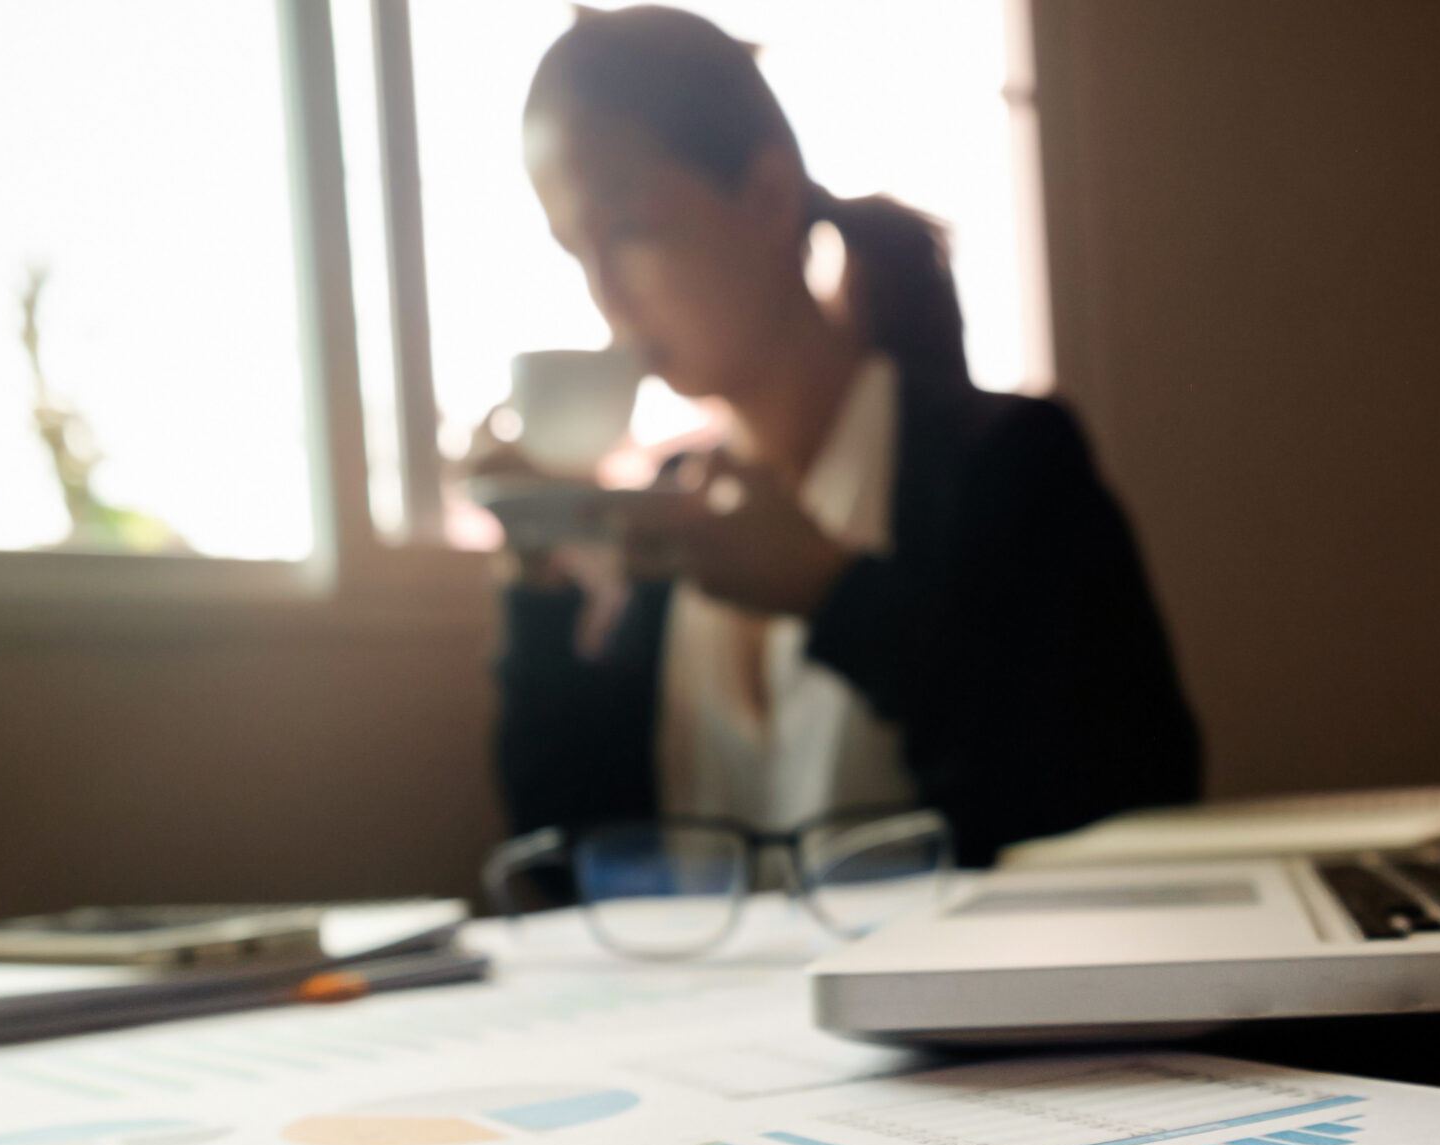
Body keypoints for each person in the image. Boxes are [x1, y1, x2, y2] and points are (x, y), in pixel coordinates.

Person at [495, 4, 1201, 869]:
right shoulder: (679, 506)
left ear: (766, 195)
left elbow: (1121, 793)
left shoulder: (1004, 461)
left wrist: (836, 596)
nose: (603, 292)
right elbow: (570, 854)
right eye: (574, 250)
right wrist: (536, 585)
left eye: (629, 230)